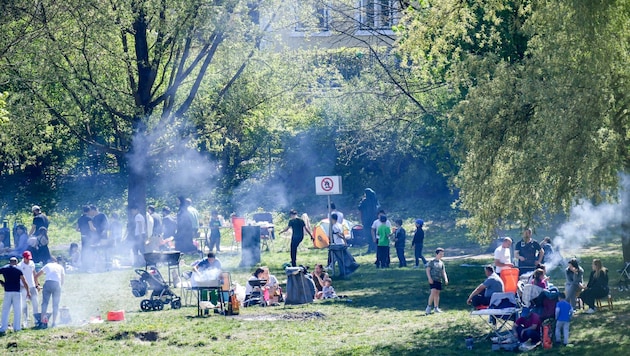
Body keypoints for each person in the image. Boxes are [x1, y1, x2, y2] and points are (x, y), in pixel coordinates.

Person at [0, 257, 30, 334]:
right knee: (17, 310)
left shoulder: (4, 268)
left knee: (5, 310)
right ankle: (17, 327)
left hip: (7, 291)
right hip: (17, 292)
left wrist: (2, 282)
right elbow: (24, 281)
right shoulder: (18, 270)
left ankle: (3, 328)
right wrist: (28, 292)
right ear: (16, 263)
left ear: (9, 262)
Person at [35, 256, 65, 327]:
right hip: (57, 284)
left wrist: (37, 285)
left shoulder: (47, 265)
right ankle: (54, 322)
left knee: (45, 303)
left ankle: (43, 321)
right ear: (56, 261)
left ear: (49, 261)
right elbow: (62, 278)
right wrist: (60, 286)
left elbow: (36, 276)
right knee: (55, 304)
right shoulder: (60, 267)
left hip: (48, 283)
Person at [18, 251, 39, 328]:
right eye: (27, 258)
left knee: (35, 303)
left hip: (32, 286)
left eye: (29, 258)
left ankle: (36, 319)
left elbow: (34, 273)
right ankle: (25, 320)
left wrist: (37, 284)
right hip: (23, 286)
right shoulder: (19, 265)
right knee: (24, 304)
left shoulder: (32, 263)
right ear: (24, 258)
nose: (28, 260)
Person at [425, 248, 448, 314]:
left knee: (437, 293)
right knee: (433, 292)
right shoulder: (431, 262)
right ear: (436, 254)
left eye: (442, 254)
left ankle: (436, 307)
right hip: (433, 279)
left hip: (439, 280)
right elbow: (427, 270)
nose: (441, 255)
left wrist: (445, 279)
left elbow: (443, 272)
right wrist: (429, 278)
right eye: (440, 254)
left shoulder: (441, 263)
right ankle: (428, 307)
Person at [358, 188, 380, 253]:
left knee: (368, 234)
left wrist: (362, 200)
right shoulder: (375, 201)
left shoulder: (365, 201)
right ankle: (375, 247)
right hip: (374, 220)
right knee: (375, 233)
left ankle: (370, 247)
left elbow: (359, 208)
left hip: (367, 220)